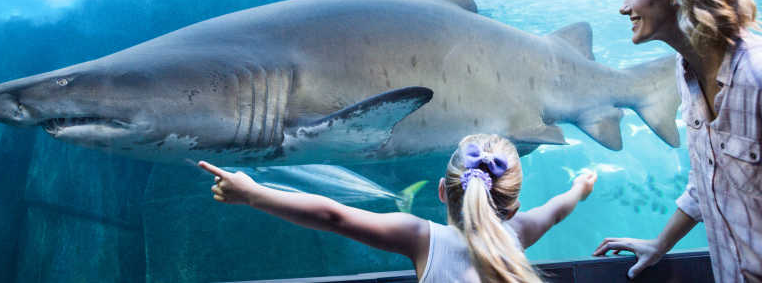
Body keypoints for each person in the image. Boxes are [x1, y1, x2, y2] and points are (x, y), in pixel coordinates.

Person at [200, 133, 597, 283]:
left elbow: (331, 215)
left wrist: (252, 192)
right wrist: (580, 186)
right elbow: (558, 208)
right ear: (512, 209)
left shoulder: (423, 237)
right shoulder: (520, 230)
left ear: (443, 191)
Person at [594, 0, 762, 282]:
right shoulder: (685, 71)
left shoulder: (757, 75)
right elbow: (709, 180)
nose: (624, 8)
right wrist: (660, 244)